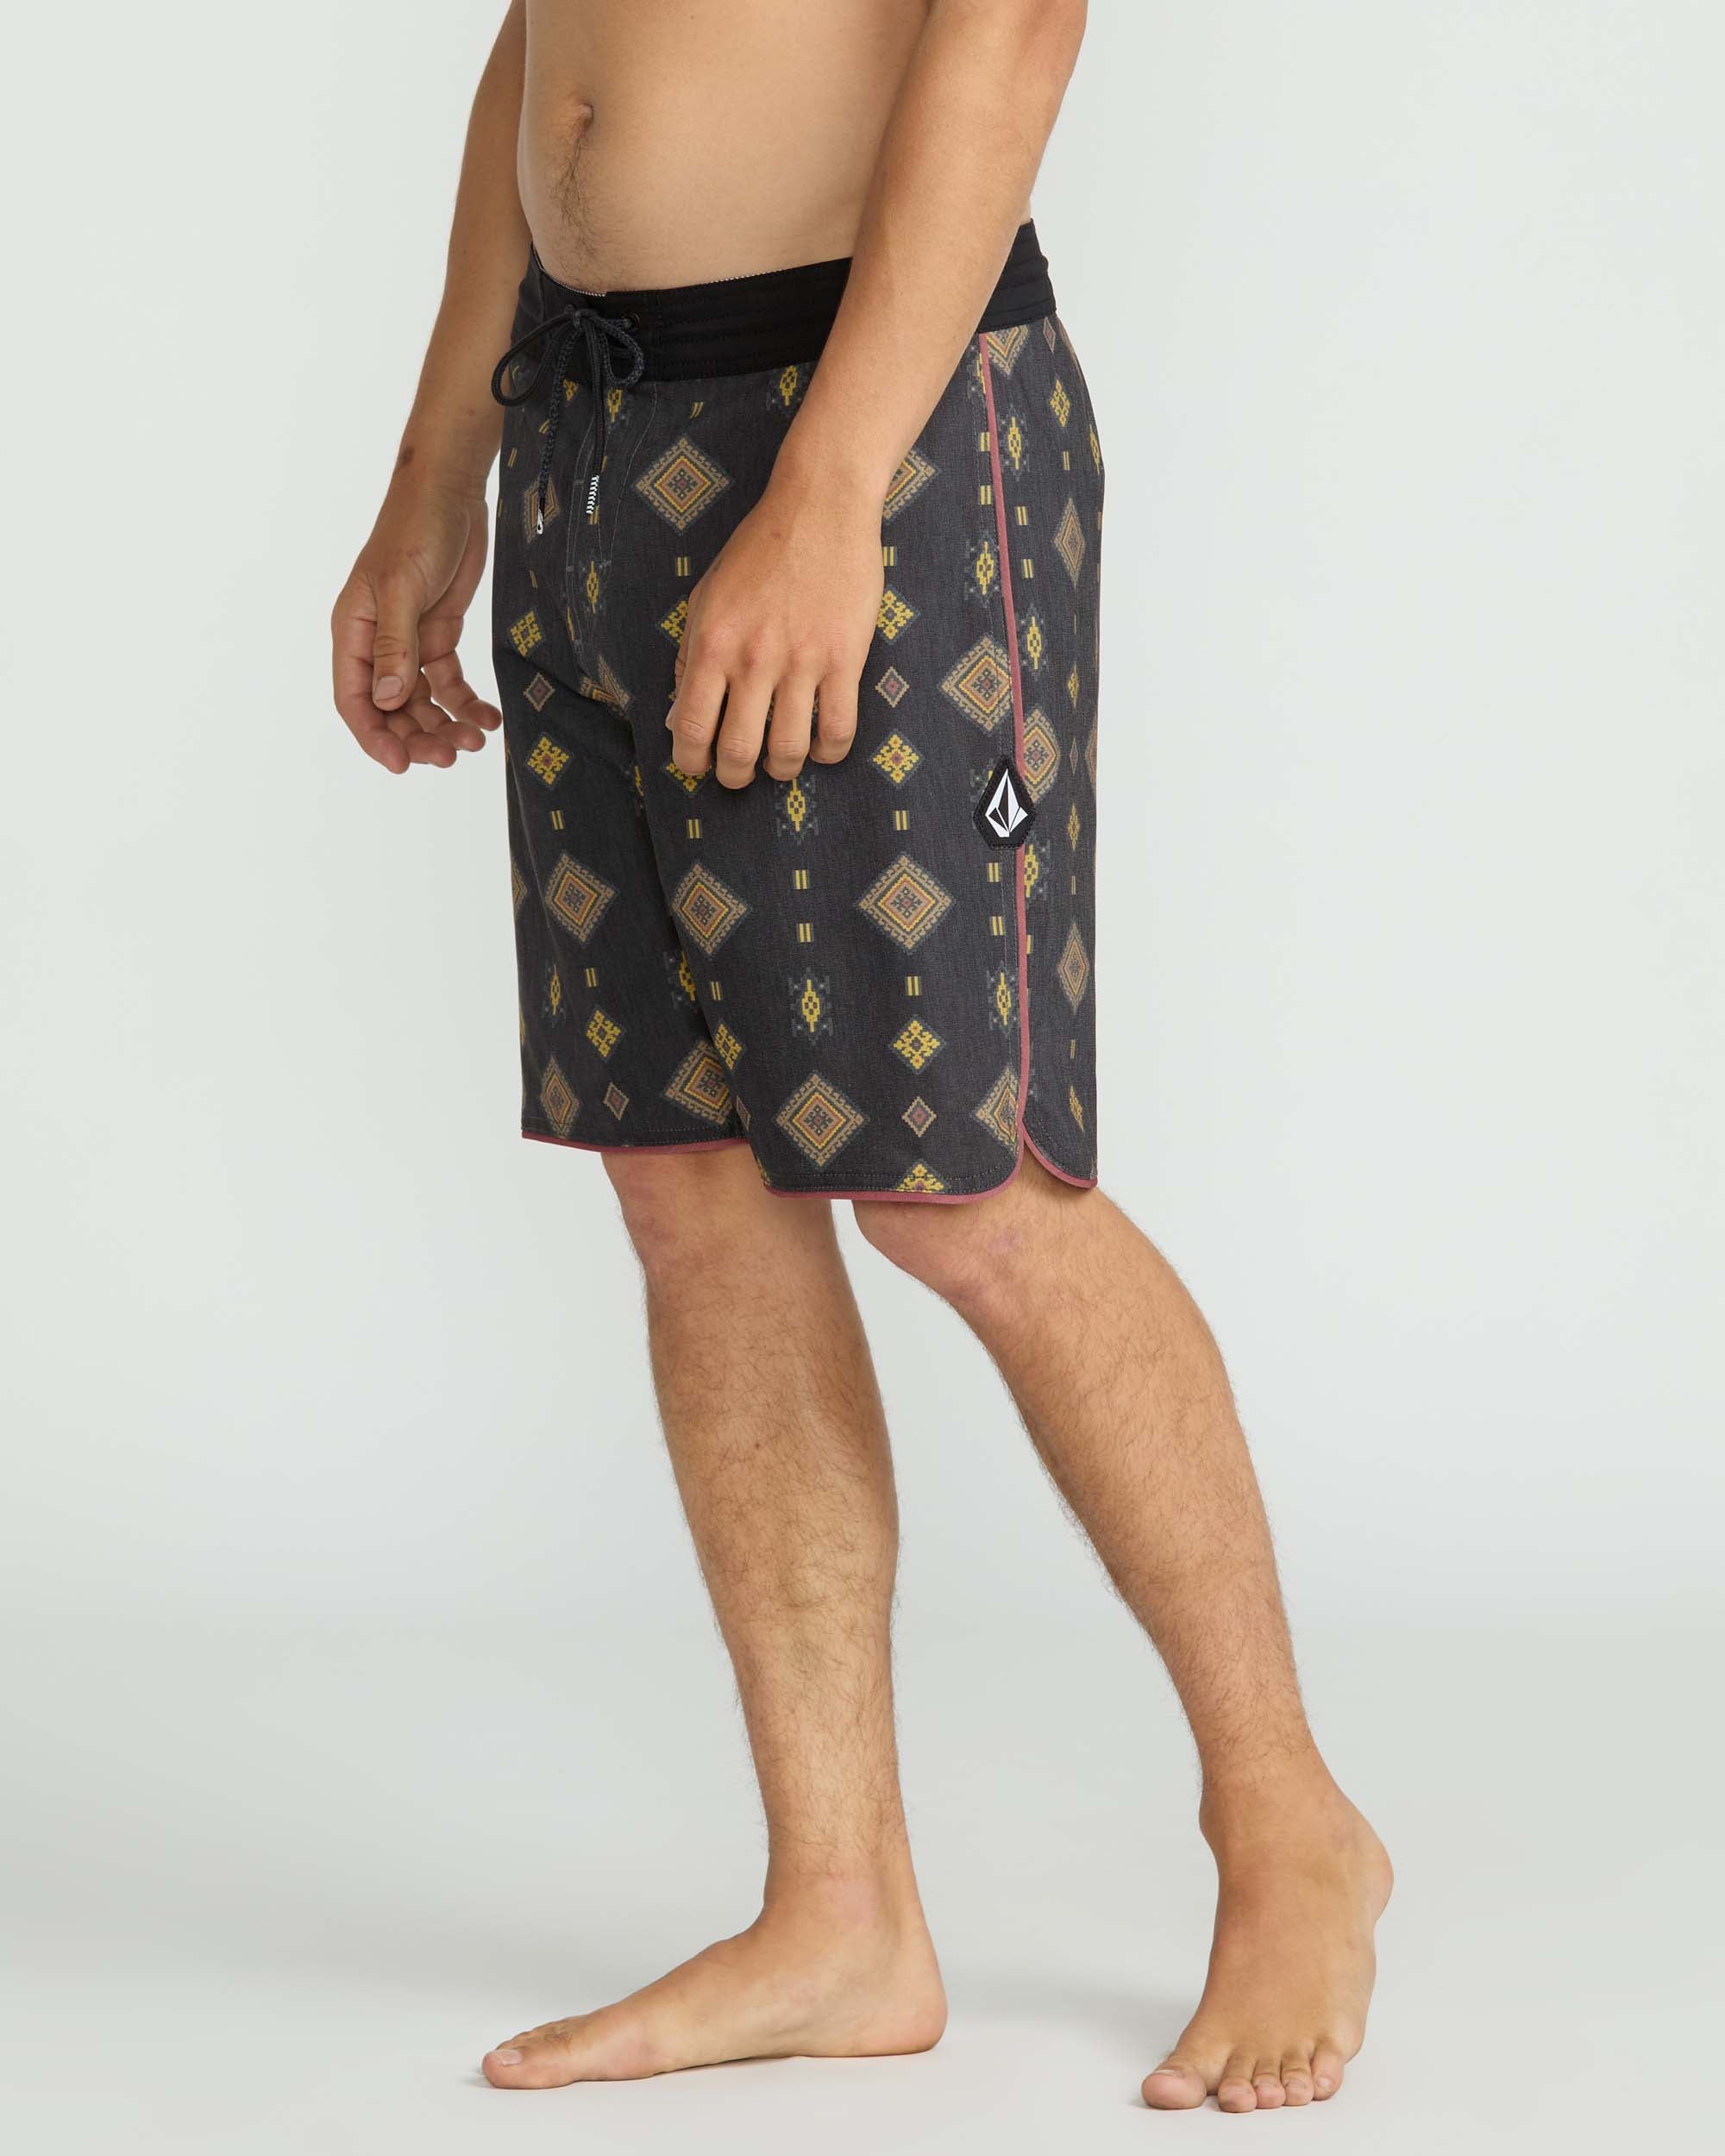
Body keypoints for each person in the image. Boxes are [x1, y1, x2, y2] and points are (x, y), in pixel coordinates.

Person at [329, 0, 1389, 2113]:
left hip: (869, 429)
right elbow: (543, 43)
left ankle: (1289, 1823)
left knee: (965, 1182)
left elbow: (1013, 25)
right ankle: (839, 1912)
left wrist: (832, 484)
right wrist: (439, 465)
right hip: (587, 425)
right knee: (687, 1177)